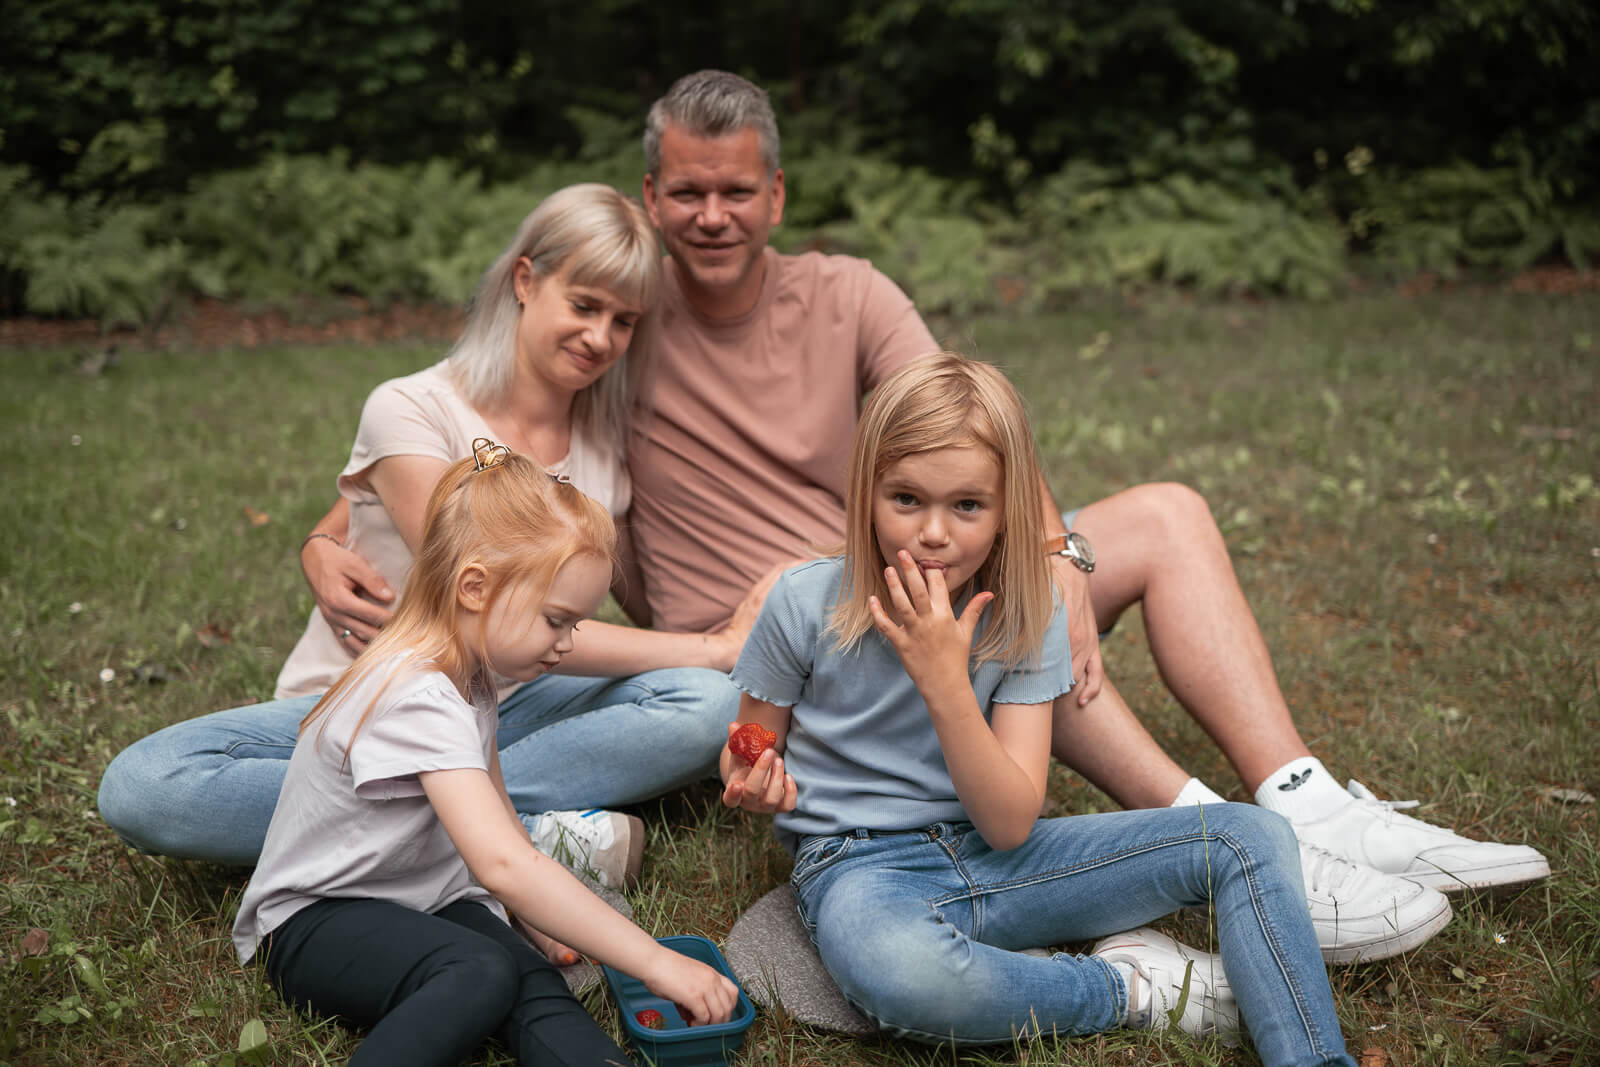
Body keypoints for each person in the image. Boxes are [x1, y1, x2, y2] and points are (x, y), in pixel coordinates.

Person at [300, 72, 1548, 958]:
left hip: (923, 558)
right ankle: (1220, 843)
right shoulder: (622, 326)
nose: (711, 217)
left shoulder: (845, 295)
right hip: (786, 638)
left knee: (1158, 515)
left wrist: (1052, 551)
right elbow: (473, 433)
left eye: (736, 191)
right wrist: (330, 527)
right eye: (685, 193)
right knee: (1010, 645)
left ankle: (1304, 801)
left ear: (776, 195)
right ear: (651, 196)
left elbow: (973, 425)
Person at [99, 184, 765, 887]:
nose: (600, 337)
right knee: (145, 783)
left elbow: (590, 614)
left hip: (518, 706)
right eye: (584, 305)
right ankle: (517, 834)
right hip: (374, 704)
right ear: (525, 279)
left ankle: (433, 832)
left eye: (623, 320)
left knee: (704, 702)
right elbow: (496, 608)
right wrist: (714, 646)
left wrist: (754, 636)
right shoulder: (411, 409)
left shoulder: (603, 444)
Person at [721, 354, 1354, 1064]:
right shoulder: (804, 601)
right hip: (858, 869)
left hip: (1003, 853)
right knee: (904, 976)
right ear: (864, 492)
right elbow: (750, 739)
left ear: (1006, 508)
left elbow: (1010, 818)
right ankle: (1130, 987)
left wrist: (946, 681)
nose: (934, 532)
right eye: (906, 499)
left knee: (1252, 837)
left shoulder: (1031, 608)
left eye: (967, 505)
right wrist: (752, 772)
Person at [233, 442, 739, 1066]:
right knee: (479, 970)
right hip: (316, 922)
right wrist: (656, 962)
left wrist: (535, 918)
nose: (566, 644)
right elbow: (503, 867)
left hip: (427, 900)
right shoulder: (417, 691)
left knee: (529, 978)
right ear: (475, 586)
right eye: (557, 620)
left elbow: (503, 836)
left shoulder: (470, 676)